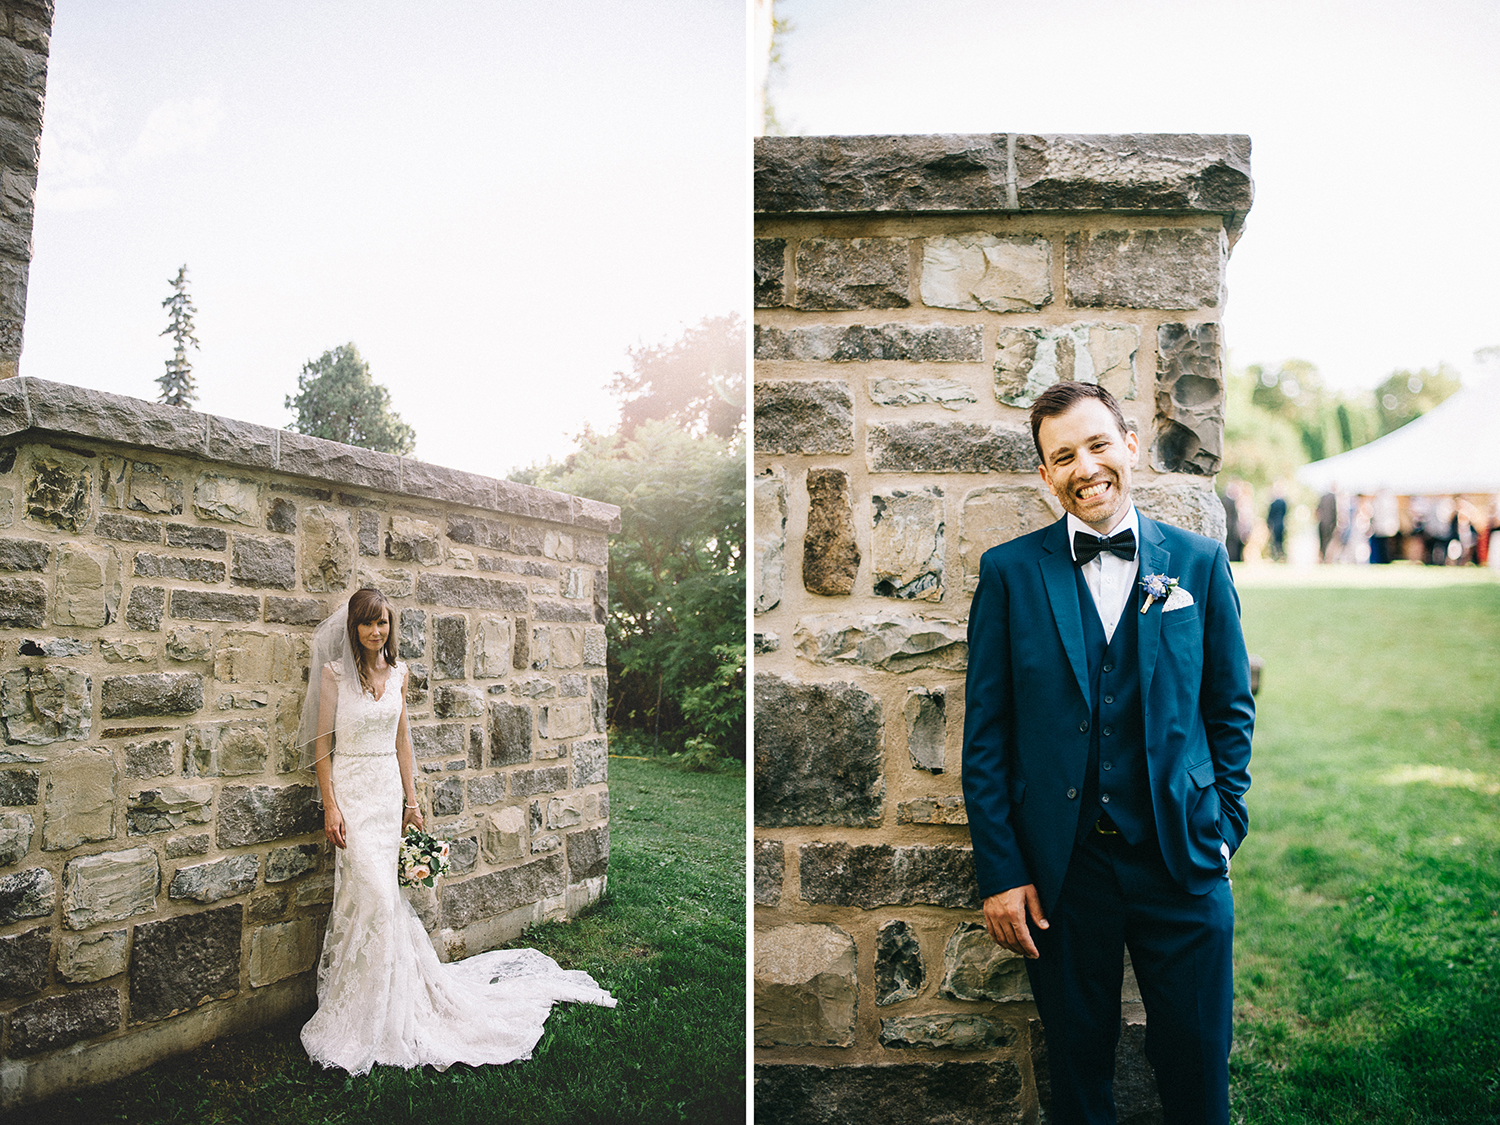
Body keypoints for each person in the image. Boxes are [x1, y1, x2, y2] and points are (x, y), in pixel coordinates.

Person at [962, 383, 1254, 1125]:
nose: (1084, 466)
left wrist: (1224, 823)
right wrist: (1003, 871)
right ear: (1044, 475)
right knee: (1078, 1071)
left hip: (1182, 857)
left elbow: (1230, 707)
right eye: (1062, 456)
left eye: (1097, 444)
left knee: (1196, 1067)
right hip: (1063, 875)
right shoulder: (1009, 573)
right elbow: (987, 736)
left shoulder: (1198, 562)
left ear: (1129, 444)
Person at [296, 588, 616, 1074]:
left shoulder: (400, 674)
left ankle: (390, 1005)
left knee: (383, 902)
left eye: (381, 622)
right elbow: (323, 746)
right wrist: (330, 806)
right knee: (373, 901)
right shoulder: (334, 676)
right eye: (366, 624)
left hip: (387, 795)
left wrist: (413, 800)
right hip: (353, 798)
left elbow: (403, 743)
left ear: (390, 626)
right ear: (353, 629)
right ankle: (361, 1011)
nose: (374, 632)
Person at [1266, 486, 1287, 562]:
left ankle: (1276, 556)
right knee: (1278, 541)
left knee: (1275, 541)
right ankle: (1279, 556)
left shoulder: (1274, 502)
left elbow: (1270, 514)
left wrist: (1268, 523)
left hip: (1275, 524)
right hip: (1280, 524)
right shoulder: (1283, 502)